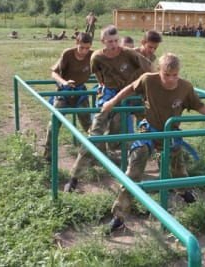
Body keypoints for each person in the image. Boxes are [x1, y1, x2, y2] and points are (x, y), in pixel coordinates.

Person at [101, 52, 205, 233]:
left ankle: (183, 192)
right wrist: (112, 101)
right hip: (148, 132)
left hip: (170, 134)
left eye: (174, 75)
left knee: (178, 170)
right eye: (166, 75)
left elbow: (200, 106)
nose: (170, 79)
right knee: (133, 171)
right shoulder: (148, 80)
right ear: (159, 70)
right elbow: (130, 88)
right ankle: (119, 216)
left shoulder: (185, 87)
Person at [63, 25, 151, 193]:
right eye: (110, 41)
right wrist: (103, 86)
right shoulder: (97, 57)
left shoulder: (129, 54)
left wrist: (143, 89)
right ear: (103, 41)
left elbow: (149, 70)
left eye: (116, 40)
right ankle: (74, 177)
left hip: (130, 96)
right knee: (95, 133)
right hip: (109, 96)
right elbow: (97, 73)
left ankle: (168, 168)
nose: (114, 44)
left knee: (153, 123)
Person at [43, 32, 94, 162]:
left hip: (80, 93)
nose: (84, 51)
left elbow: (102, 70)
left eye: (87, 48)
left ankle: (96, 155)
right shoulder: (68, 54)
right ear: (76, 44)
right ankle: (47, 157)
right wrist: (64, 82)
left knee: (90, 126)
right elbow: (54, 73)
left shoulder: (92, 55)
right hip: (64, 92)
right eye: (81, 47)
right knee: (53, 125)